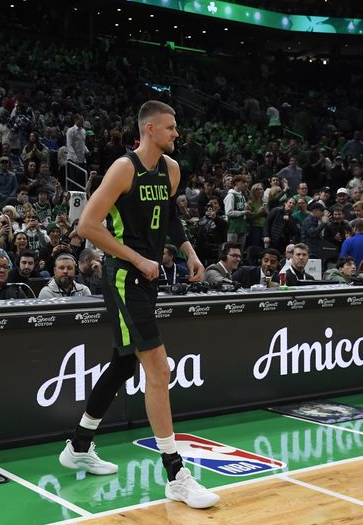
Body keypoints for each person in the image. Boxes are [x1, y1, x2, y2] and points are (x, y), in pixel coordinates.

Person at [59, 101, 218, 509]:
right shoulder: (123, 168)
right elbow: (87, 226)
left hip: (148, 278)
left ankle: (79, 445)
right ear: (149, 129)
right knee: (158, 369)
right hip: (124, 276)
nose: (176, 134)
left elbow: (169, 218)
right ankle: (175, 473)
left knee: (124, 363)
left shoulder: (172, 169)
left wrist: (188, 251)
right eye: (170, 128)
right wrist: (136, 257)